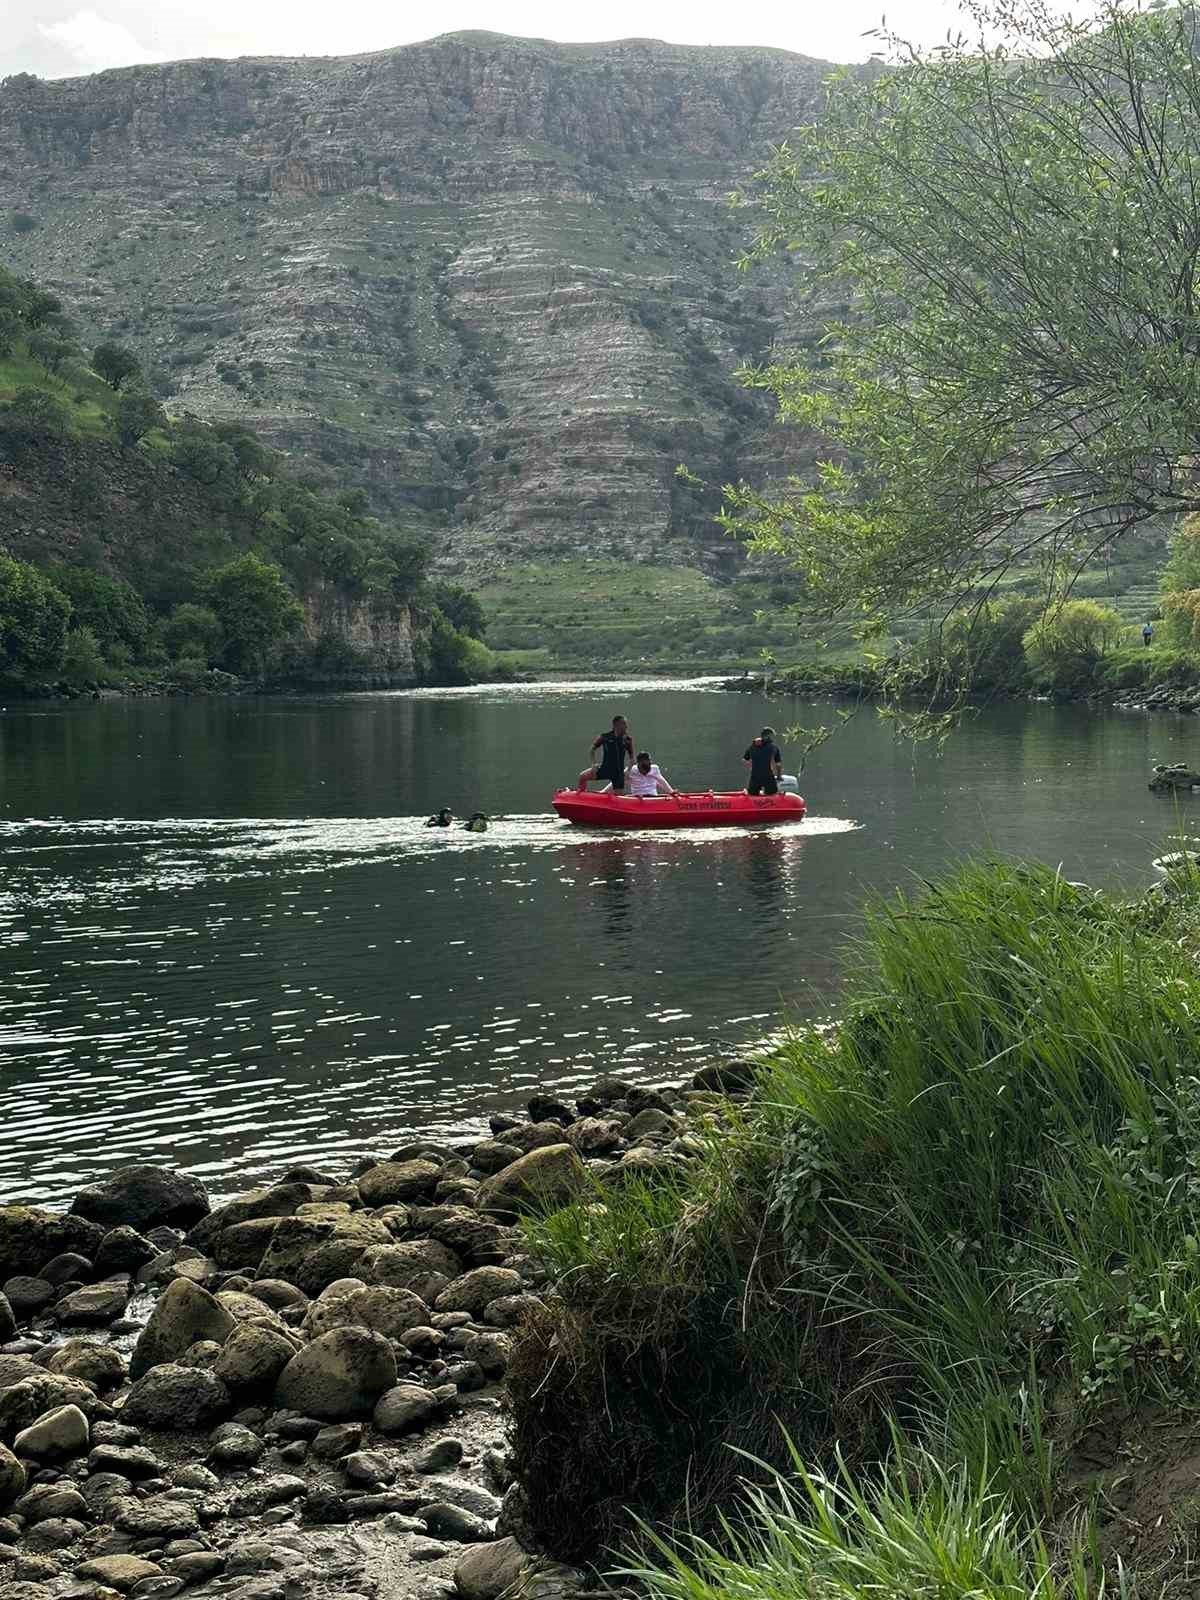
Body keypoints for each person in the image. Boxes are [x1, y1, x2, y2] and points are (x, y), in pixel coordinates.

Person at [577, 714, 634, 793]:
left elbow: (632, 758)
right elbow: (592, 749)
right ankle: (581, 797)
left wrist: (628, 771)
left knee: (618, 797)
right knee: (582, 777)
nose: (626, 726)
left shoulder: (627, 739)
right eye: (624, 724)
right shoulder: (605, 737)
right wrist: (594, 764)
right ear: (616, 725)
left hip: (618, 774)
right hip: (604, 769)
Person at [744, 726, 783, 796]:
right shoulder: (774, 748)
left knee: (752, 795)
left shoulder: (752, 746)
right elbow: (778, 765)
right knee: (772, 794)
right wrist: (779, 776)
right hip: (768, 776)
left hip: (755, 777)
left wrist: (751, 767)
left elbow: (745, 759)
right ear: (768, 736)